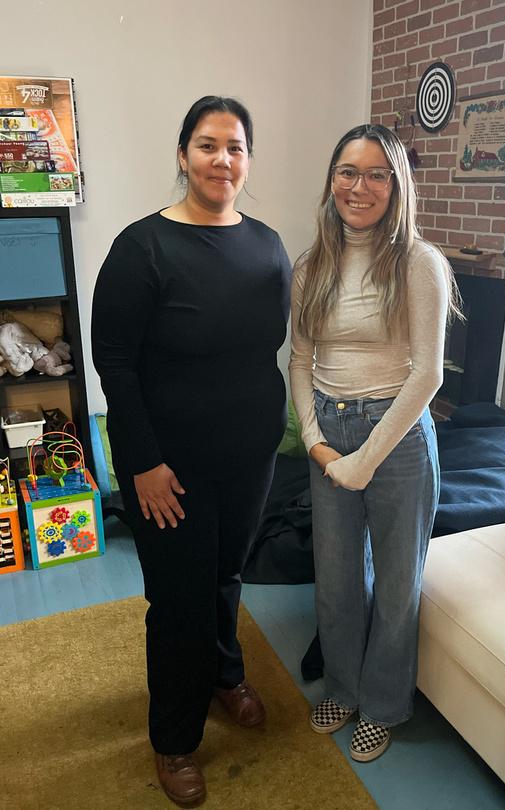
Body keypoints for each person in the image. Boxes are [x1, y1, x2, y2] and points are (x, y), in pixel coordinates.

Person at [92, 95, 291, 805]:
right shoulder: (141, 247)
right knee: (178, 598)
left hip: (249, 455)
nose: (222, 160)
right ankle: (174, 740)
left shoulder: (267, 246)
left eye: (235, 147)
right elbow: (115, 364)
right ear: (183, 155)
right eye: (208, 145)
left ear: (248, 161)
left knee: (226, 575)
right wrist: (144, 463)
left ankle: (223, 674)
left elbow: (270, 347)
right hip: (166, 466)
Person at [289, 123, 460, 762]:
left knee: (395, 584)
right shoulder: (311, 266)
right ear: (331, 180)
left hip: (399, 436)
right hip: (330, 431)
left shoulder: (419, 262)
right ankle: (343, 687)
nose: (359, 187)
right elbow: (299, 361)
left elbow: (428, 375)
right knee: (335, 579)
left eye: (376, 175)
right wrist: (315, 442)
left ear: (397, 185)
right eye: (348, 172)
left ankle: (384, 705)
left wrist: (366, 460)